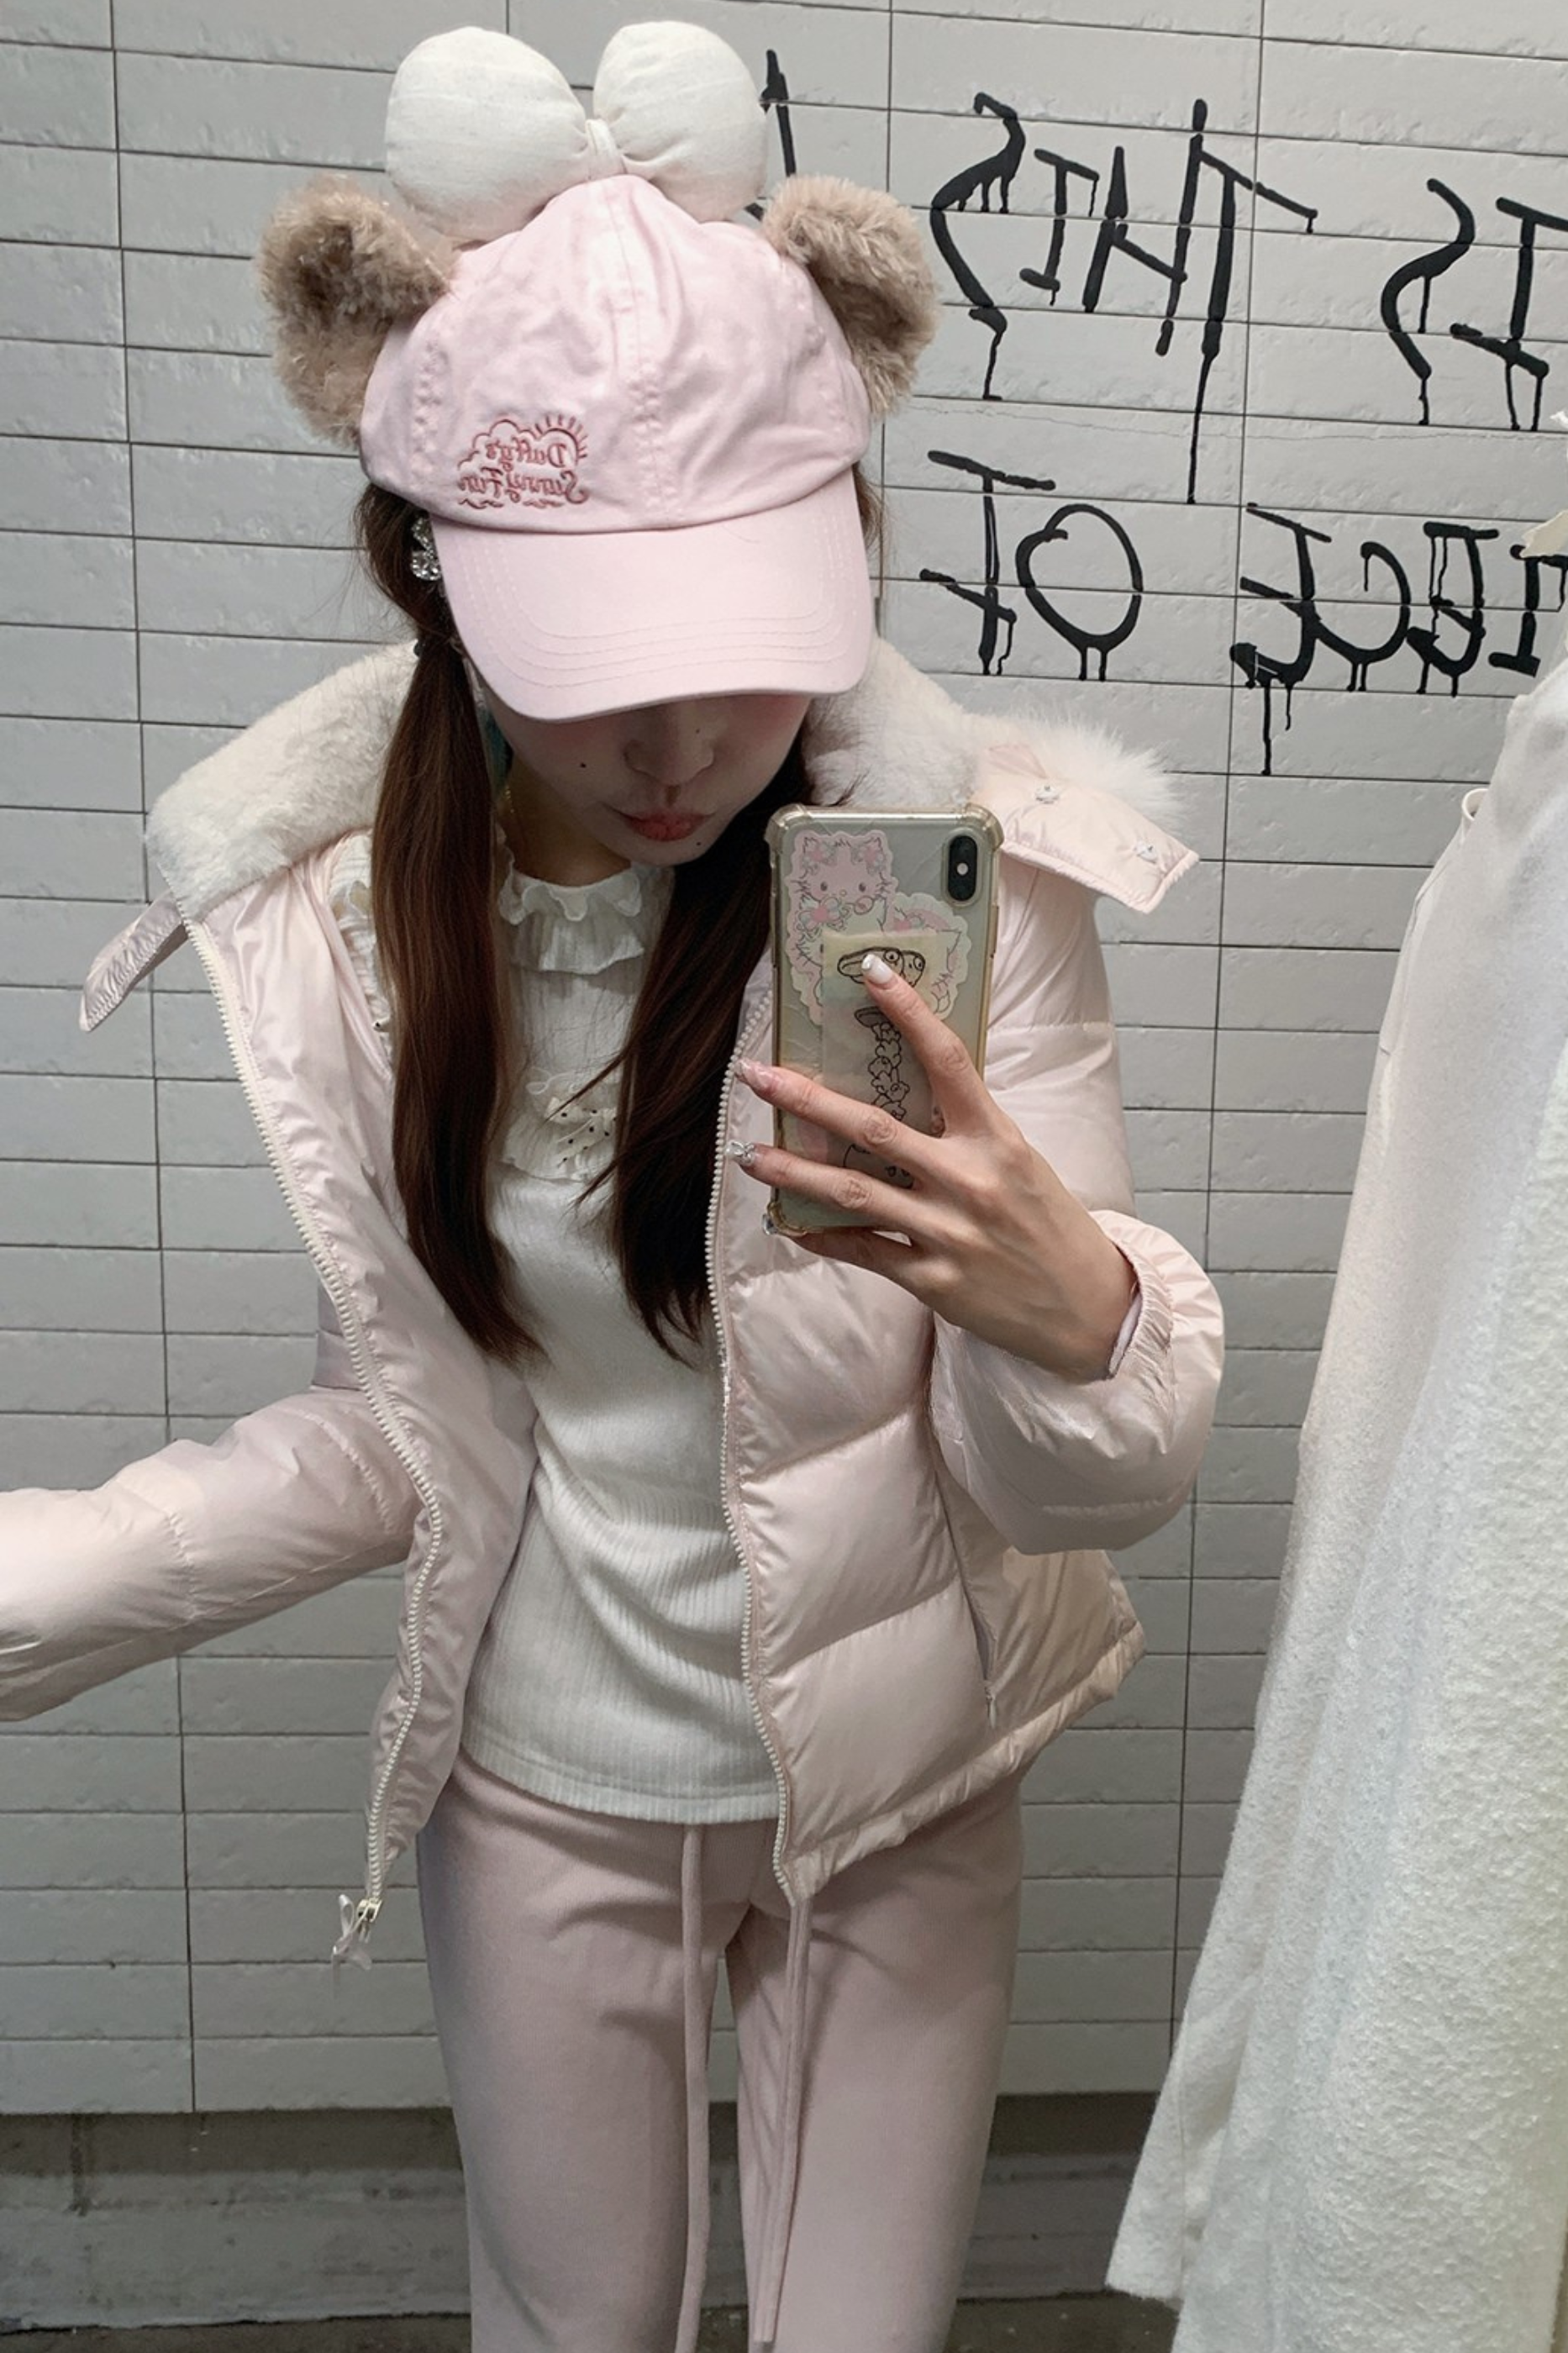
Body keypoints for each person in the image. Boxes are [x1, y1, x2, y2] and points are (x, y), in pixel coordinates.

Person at [0, 25, 1225, 2353]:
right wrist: (51, 1587)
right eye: (600, 665)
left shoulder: (967, 881)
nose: (679, 748)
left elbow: (1076, 1480)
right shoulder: (357, 926)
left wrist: (1075, 1320)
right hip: (544, 1785)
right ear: (437, 581)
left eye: (742, 654)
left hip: (901, 1775)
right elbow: (406, 1424)